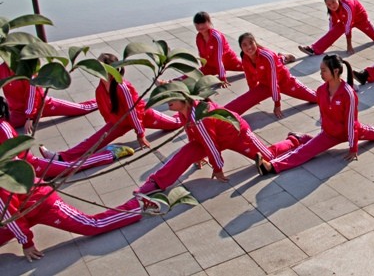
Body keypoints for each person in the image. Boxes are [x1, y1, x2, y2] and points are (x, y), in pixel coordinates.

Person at [260, 54, 374, 174]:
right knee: (303, 152)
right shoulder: (321, 90)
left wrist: (353, 148)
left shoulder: (348, 94)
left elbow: (351, 122)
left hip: (352, 131)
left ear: (335, 71)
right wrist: (323, 134)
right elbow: (323, 114)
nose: (321, 73)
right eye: (320, 70)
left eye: (324, 70)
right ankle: (271, 165)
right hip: (330, 134)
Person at [135, 98, 305, 194]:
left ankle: (294, 140)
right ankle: (156, 182)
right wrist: (198, 156)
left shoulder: (200, 117)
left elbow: (212, 145)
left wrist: (217, 168)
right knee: (185, 153)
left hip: (238, 134)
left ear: (183, 98)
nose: (167, 101)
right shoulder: (185, 111)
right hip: (213, 138)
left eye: (172, 98)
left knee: (269, 157)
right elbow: (197, 136)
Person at [38, 53, 183, 162]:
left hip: (142, 116)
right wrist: (111, 123)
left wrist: (140, 133)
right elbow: (103, 107)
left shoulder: (122, 87)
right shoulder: (101, 86)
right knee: (94, 140)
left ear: (110, 69)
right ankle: (60, 157)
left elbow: (133, 111)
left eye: (99, 66)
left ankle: (187, 111)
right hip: (118, 122)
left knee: (176, 123)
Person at [0, 184, 159, 262]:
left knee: (91, 225)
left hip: (43, 203)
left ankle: (137, 206)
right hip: (23, 207)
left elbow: (12, 217)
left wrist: (26, 243)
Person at [0, 96, 133, 180]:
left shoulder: (4, 129)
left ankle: (110, 153)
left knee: (69, 168)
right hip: (13, 167)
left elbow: (15, 157)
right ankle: (58, 158)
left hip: (29, 165)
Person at [226, 33, 317, 118]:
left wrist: (277, 104)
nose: (249, 47)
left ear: (255, 43)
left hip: (284, 81)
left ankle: (284, 57)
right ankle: (215, 114)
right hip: (265, 85)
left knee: (316, 98)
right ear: (241, 47)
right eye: (244, 45)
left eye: (251, 43)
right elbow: (250, 77)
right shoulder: (245, 58)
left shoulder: (267, 56)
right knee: (239, 103)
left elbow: (273, 81)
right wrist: (253, 93)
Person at [0, 63, 97, 133]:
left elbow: (33, 95)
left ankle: (100, 101)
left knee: (81, 109)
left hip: (43, 105)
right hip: (18, 112)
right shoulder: (2, 69)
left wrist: (29, 118)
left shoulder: (28, 70)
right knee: (4, 125)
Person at [298, 0, 374, 56]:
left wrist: (349, 45)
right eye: (329, 5)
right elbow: (332, 23)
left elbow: (348, 25)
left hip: (361, 19)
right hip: (345, 21)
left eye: (333, 2)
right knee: (335, 30)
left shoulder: (347, 6)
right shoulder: (331, 9)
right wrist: (329, 39)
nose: (332, 6)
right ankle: (314, 49)